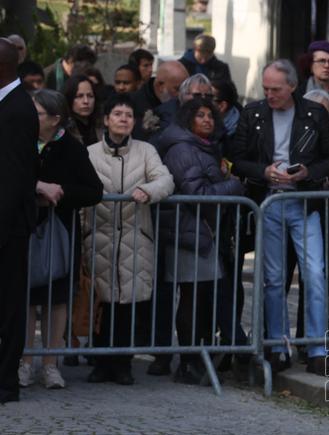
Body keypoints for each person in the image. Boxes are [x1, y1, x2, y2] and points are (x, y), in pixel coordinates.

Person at [230, 59, 329, 374]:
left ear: (292, 86)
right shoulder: (253, 113)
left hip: (303, 202)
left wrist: (307, 172)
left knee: (316, 275)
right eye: (265, 89)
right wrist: (263, 172)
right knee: (273, 279)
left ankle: (317, 348)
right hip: (268, 202)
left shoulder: (314, 113)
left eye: (276, 89)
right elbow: (237, 159)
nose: (270, 94)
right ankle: (277, 345)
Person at [83, 94, 174, 385]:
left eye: (128, 115)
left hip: (135, 235)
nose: (123, 119)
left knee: (126, 302)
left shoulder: (146, 151)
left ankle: (123, 363)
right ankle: (100, 362)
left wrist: (149, 190)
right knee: (101, 302)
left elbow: (165, 179)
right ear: (106, 119)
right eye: (118, 114)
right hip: (99, 235)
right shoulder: (91, 153)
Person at [19, 89, 102, 390]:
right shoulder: (20, 141)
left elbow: (94, 191)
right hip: (24, 228)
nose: (31, 118)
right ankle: (25, 361)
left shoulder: (71, 148)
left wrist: (60, 191)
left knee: (57, 300)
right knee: (25, 300)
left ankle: (51, 363)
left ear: (55, 119)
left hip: (61, 233)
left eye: (38, 113)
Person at [159, 98, 245, 385]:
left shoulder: (203, 147)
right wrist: (234, 184)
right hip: (189, 233)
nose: (207, 119)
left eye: (211, 115)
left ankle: (195, 358)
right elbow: (198, 192)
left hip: (202, 232)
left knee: (200, 297)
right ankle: (188, 361)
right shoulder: (183, 149)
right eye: (200, 115)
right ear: (188, 119)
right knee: (191, 298)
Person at [0, 37, 40, 404]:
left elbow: (13, 179)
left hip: (7, 228)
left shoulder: (16, 110)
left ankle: (5, 382)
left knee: (10, 306)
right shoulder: (10, 104)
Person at [131, 59, 187, 141]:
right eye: (177, 89)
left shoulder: (184, 103)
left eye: (185, 89)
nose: (182, 94)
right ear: (160, 86)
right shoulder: (133, 105)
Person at [62, 73, 101, 146]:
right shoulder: (63, 130)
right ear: (69, 98)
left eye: (90, 96)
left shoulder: (102, 126)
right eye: (79, 96)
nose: (86, 101)